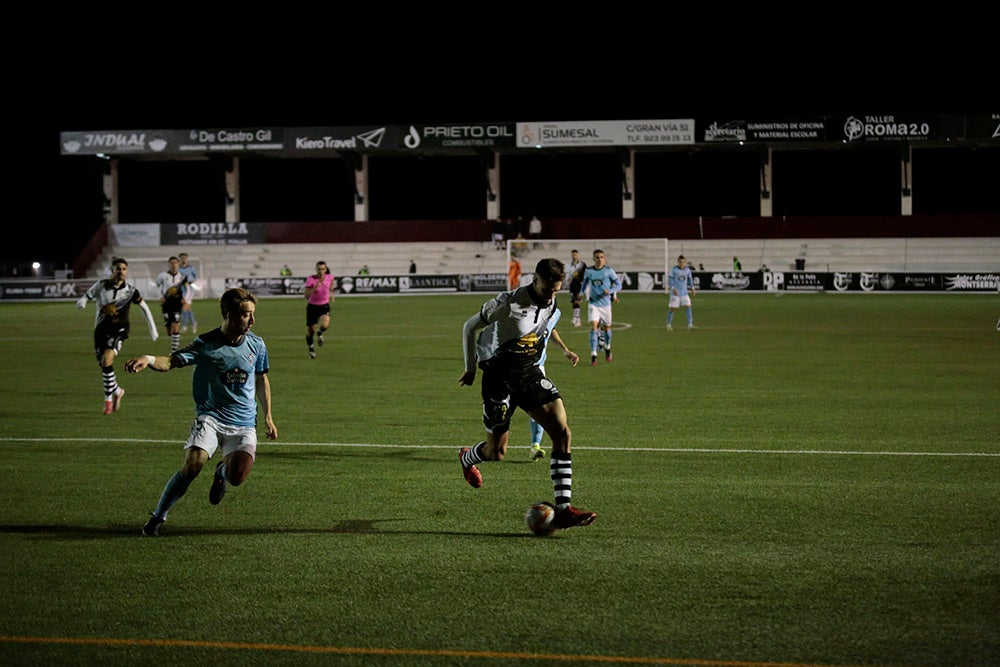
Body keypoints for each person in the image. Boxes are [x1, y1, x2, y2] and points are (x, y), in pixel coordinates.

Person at [458, 258, 596, 530]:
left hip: (529, 374)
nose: (551, 296)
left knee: (562, 432)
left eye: (557, 291)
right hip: (498, 378)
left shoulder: (552, 303)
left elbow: (547, 324)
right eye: (548, 290)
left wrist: (562, 351)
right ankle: (468, 457)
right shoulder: (507, 303)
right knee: (496, 452)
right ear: (535, 280)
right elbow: (469, 327)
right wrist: (471, 368)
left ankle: (565, 509)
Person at [127, 287, 277, 537]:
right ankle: (158, 516)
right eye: (245, 314)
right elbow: (172, 361)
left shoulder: (257, 345)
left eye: (252, 314)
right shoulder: (206, 344)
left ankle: (221, 472)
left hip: (243, 422)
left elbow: (262, 379)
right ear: (228, 313)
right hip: (211, 417)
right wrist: (150, 358)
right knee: (192, 465)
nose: (252, 320)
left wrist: (268, 416)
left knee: (237, 477)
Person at [76, 257, 158, 415]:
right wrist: (82, 301)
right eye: (118, 269)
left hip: (119, 330)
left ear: (126, 272)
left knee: (107, 359)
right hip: (101, 329)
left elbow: (144, 307)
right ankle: (118, 391)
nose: (121, 271)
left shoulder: (131, 291)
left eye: (124, 269)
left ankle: (107, 399)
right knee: (104, 364)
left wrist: (152, 328)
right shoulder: (101, 285)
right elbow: (87, 295)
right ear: (112, 270)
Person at [527, 306, 578, 461]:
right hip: (515, 367)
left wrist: (565, 351)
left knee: (540, 408)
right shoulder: (527, 310)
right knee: (503, 410)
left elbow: (550, 330)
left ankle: (535, 445)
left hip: (537, 369)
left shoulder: (555, 312)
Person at [583, 249, 622, 366]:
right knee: (594, 327)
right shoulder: (589, 271)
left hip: (605, 305)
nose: (599, 259)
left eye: (601, 257)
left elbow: (619, 285)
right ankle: (593, 355)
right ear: (593, 258)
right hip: (593, 303)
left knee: (607, 329)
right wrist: (580, 293)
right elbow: (585, 283)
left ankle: (608, 348)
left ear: (604, 258)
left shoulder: (609, 271)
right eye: (597, 257)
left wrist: (609, 291)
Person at [154, 256, 186, 353]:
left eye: (175, 263)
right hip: (166, 304)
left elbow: (187, 289)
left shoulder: (182, 277)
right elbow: (156, 286)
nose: (174, 265)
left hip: (177, 303)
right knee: (169, 330)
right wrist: (160, 296)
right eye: (172, 263)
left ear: (178, 264)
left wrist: (185, 298)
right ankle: (171, 333)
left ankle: (174, 351)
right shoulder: (163, 275)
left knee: (175, 325)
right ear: (169, 264)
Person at [304, 261, 335, 359]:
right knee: (311, 331)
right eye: (319, 269)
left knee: (325, 325)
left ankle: (320, 333)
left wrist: (331, 293)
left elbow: (331, 286)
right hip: (312, 306)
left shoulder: (330, 277)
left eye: (323, 269)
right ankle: (311, 349)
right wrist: (315, 287)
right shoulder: (311, 279)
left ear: (325, 270)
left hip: (324, 305)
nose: (321, 271)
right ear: (316, 269)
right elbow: (306, 295)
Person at [666, 254, 696, 331]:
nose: (682, 263)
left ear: (685, 262)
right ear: (678, 262)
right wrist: (673, 288)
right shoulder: (674, 269)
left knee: (688, 306)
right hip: (675, 293)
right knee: (672, 308)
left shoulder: (687, 270)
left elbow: (690, 280)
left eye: (683, 262)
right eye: (680, 262)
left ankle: (690, 324)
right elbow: (670, 280)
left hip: (684, 293)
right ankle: (668, 324)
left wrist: (692, 288)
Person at [177, 253, 199, 334]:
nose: (183, 259)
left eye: (184, 258)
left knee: (184, 307)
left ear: (187, 259)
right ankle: (193, 323)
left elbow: (196, 277)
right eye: (181, 258)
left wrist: (192, 281)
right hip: (181, 289)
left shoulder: (191, 268)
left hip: (189, 290)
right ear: (180, 259)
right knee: (187, 308)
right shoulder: (178, 268)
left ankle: (185, 326)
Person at [567, 249, 587, 327]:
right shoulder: (569, 265)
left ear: (578, 255)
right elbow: (568, 275)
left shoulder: (582, 265)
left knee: (577, 301)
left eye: (575, 254)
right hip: (572, 285)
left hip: (580, 285)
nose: (574, 256)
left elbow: (585, 275)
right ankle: (578, 321)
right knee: (573, 301)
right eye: (573, 254)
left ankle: (575, 318)